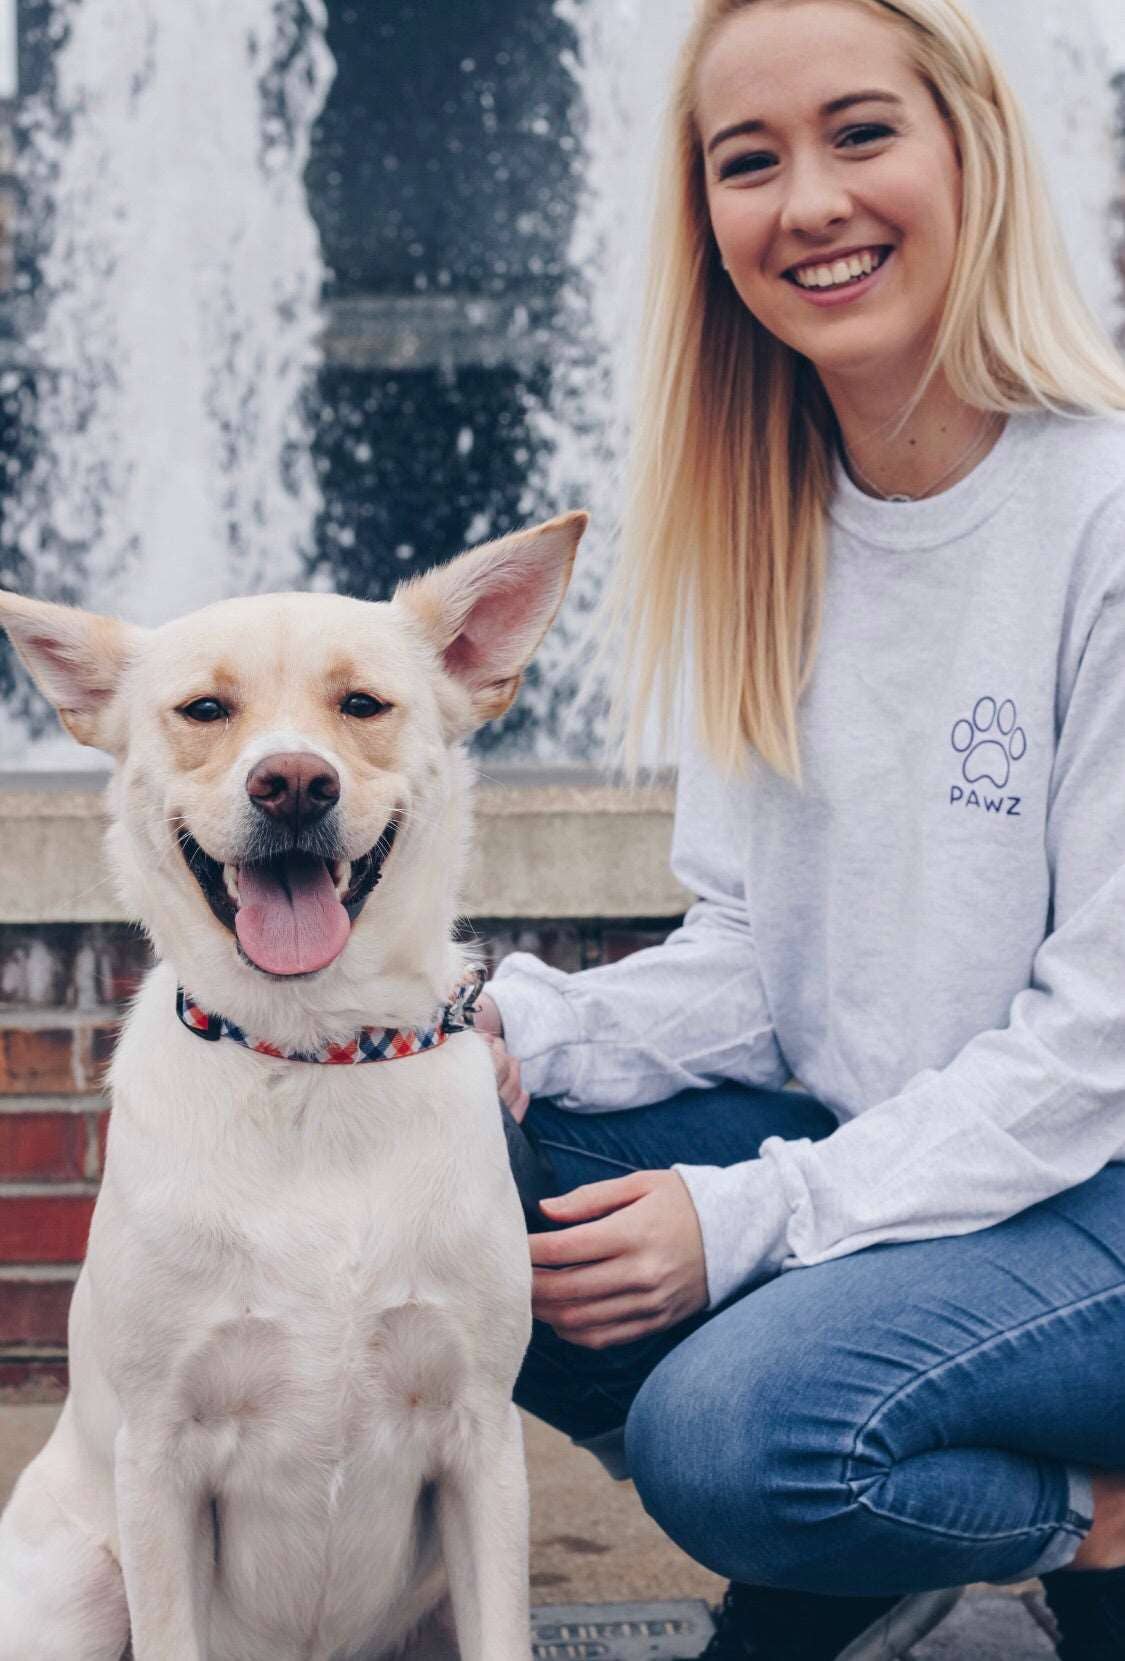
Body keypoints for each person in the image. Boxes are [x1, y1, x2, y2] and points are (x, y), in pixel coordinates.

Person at [478, 0, 1125, 1657]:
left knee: (735, 1433)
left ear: (969, 148)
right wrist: (508, 1030)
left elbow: (1096, 1047)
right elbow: (757, 960)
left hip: (1105, 1195)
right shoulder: (763, 522)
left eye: (859, 133)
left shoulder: (1102, 514)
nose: (809, 203)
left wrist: (750, 1219)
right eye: (748, 160)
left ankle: (1090, 1521)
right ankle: (872, 1526)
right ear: (705, 218)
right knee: (446, 1161)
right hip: (930, 1169)